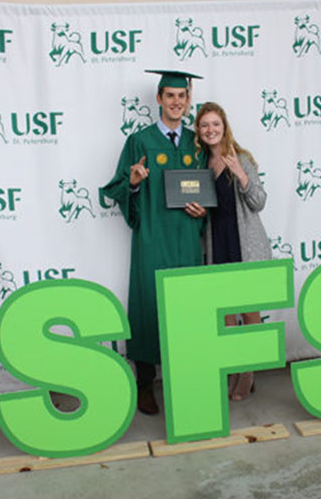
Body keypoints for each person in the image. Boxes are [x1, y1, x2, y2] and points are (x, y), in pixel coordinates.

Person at [101, 70, 206, 415]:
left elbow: (208, 192)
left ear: (188, 101)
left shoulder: (196, 142)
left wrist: (202, 209)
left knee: (187, 307)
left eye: (182, 96)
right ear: (159, 99)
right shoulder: (140, 141)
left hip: (188, 238)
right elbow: (117, 186)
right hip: (152, 237)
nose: (177, 102)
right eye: (170, 95)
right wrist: (132, 182)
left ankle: (186, 378)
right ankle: (144, 383)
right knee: (148, 302)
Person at [194, 101, 272, 401]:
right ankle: (234, 369)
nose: (210, 129)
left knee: (249, 312)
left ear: (224, 126)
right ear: (199, 132)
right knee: (225, 316)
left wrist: (242, 175)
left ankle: (247, 375)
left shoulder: (241, 158)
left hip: (244, 244)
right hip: (218, 243)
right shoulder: (199, 164)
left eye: (215, 124)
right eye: (204, 125)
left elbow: (259, 201)